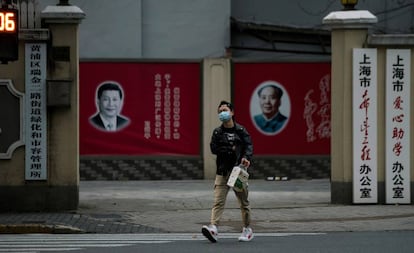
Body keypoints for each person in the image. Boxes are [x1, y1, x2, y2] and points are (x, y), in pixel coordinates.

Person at [202, 100, 254, 243]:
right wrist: (227, 149)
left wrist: (246, 157)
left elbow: (248, 146)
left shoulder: (241, 131)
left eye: (224, 110)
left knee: (244, 202)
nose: (222, 113)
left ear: (232, 112)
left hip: (238, 171)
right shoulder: (218, 132)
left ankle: (247, 229)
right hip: (223, 171)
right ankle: (214, 228)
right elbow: (214, 148)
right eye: (220, 112)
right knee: (218, 201)